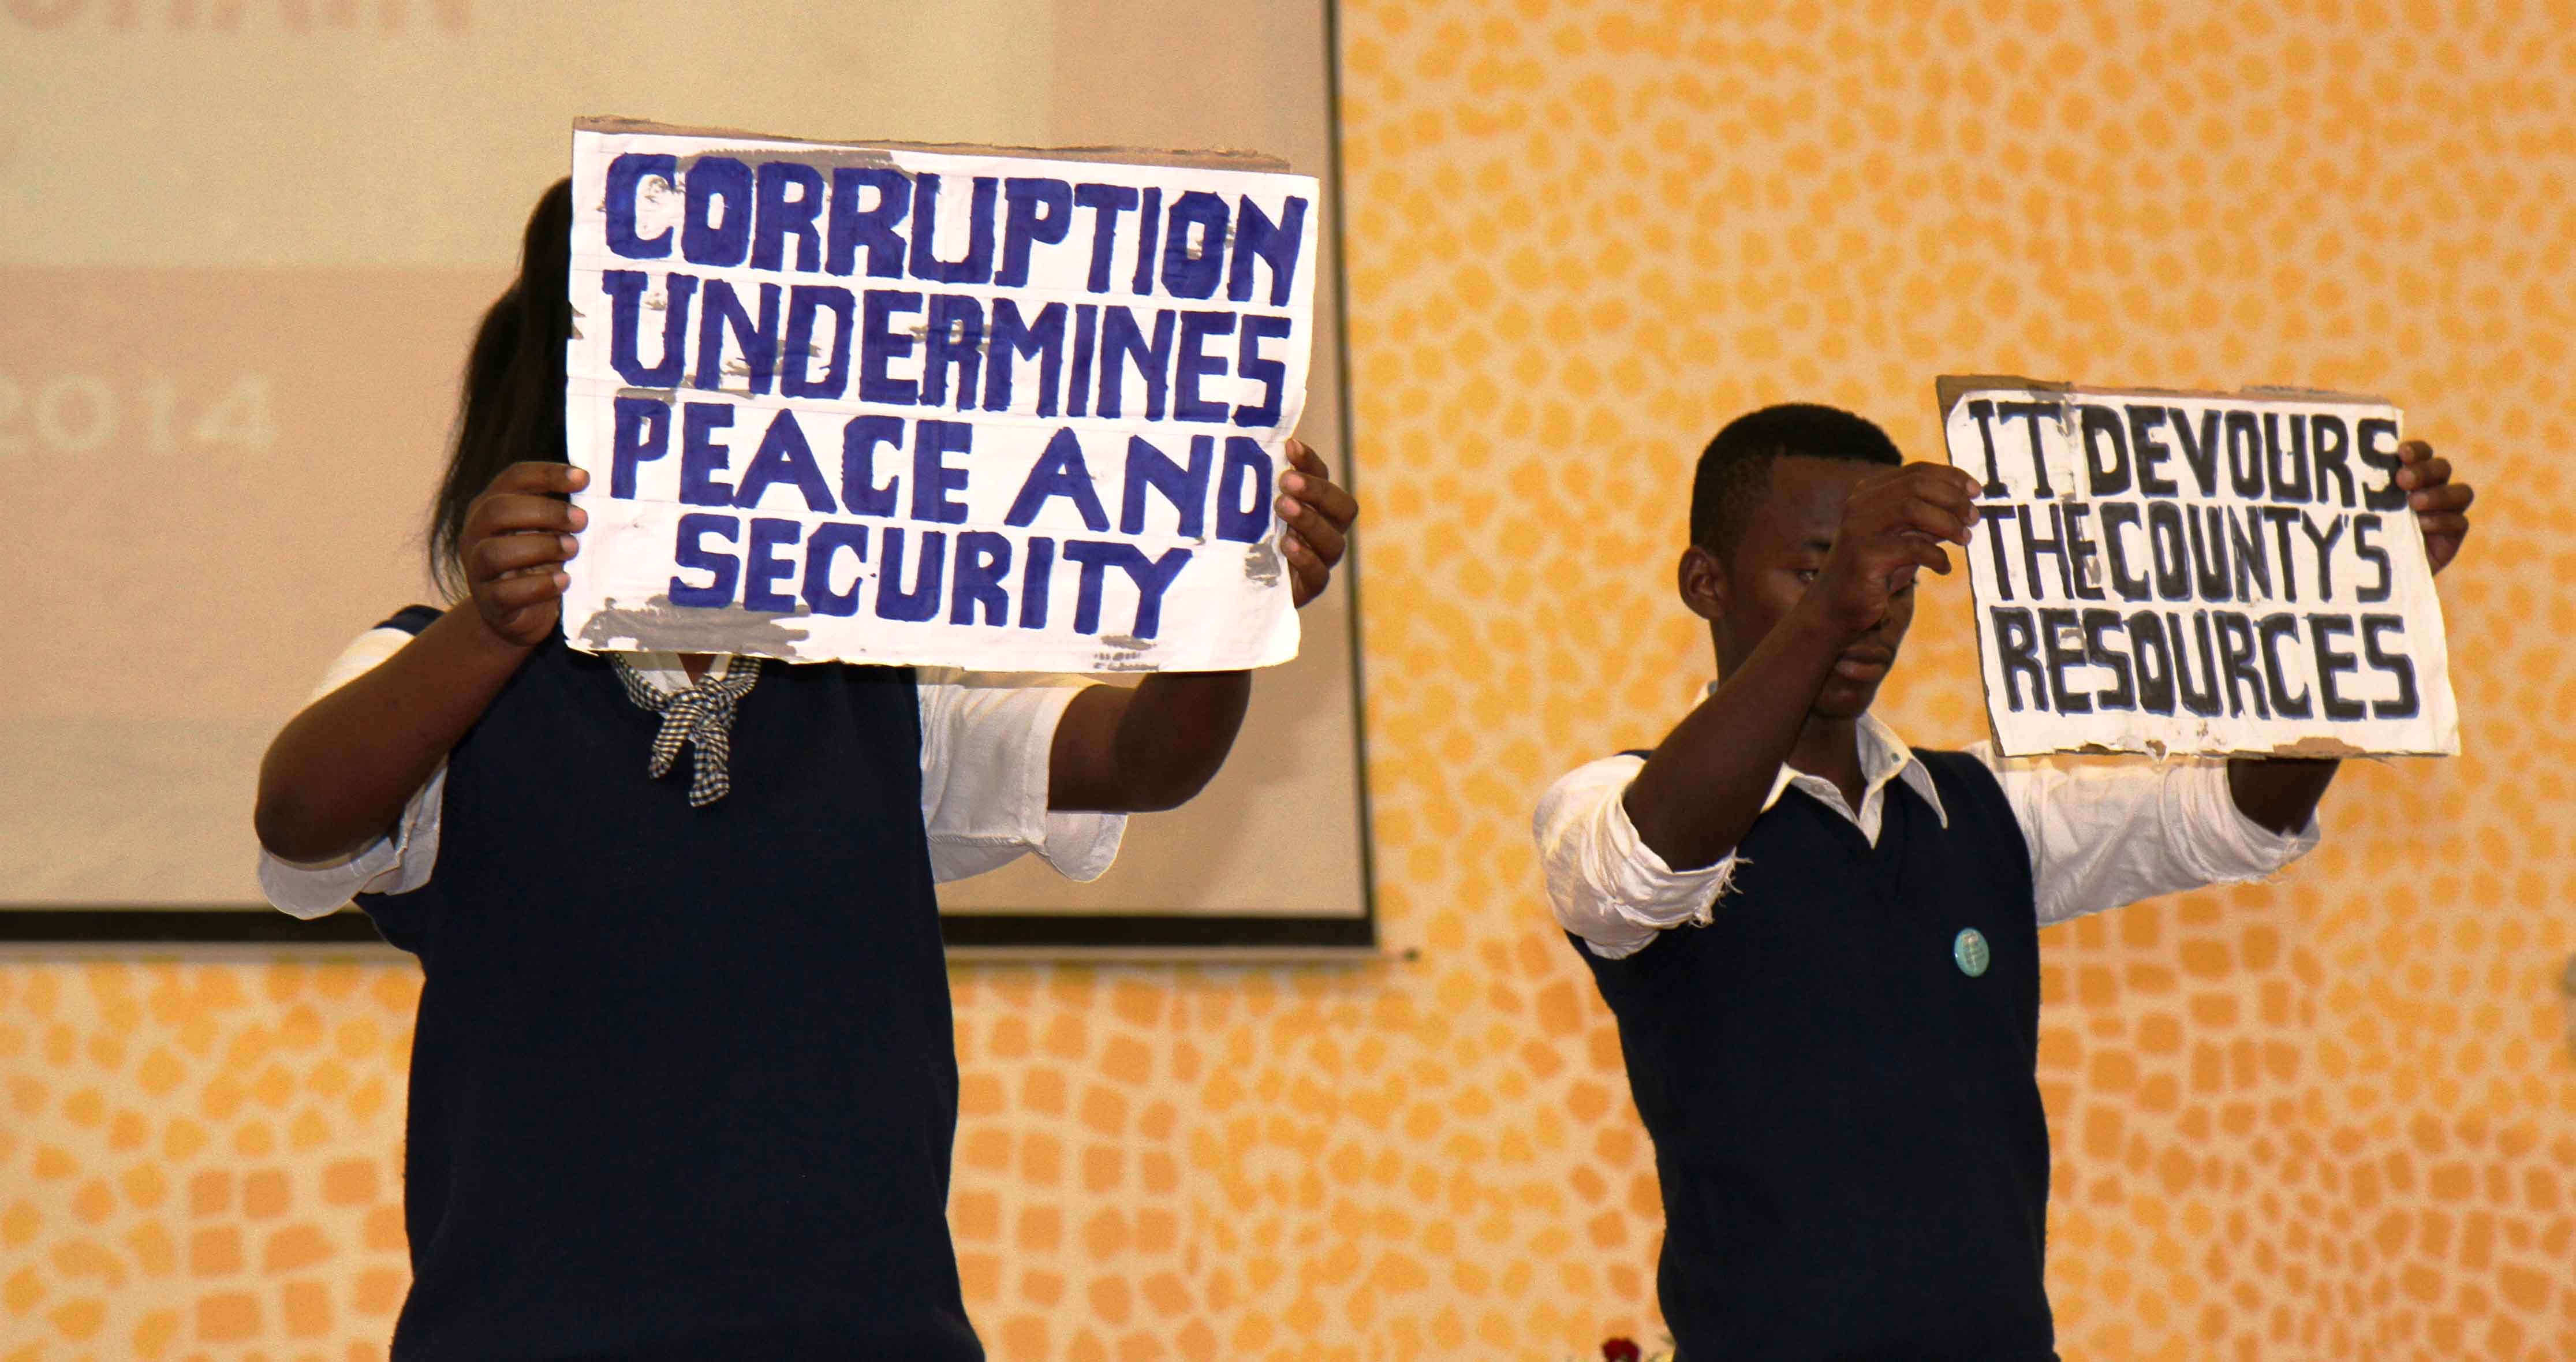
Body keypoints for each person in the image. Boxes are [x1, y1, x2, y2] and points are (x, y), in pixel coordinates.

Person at [252, 180, 1359, 1361]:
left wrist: (1222, 612)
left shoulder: (877, 682)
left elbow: (1135, 757)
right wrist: (492, 627)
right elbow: (303, 815)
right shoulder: (445, 676)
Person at [1532, 402, 2472, 1360]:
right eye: (1816, 571)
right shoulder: (1612, 803)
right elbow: (1639, 876)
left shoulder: (1983, 807)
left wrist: (2358, 605)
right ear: (1705, 583)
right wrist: (1831, 607)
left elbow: (2237, 818)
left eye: (1893, 579)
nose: (1870, 607)